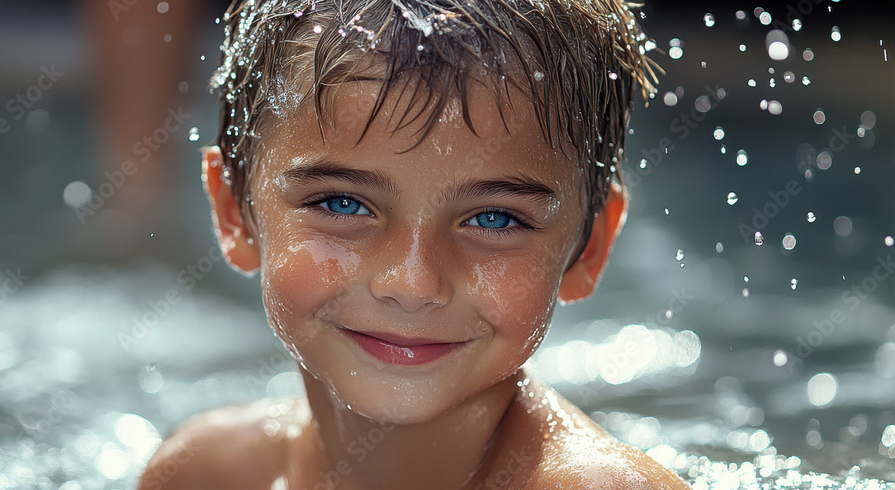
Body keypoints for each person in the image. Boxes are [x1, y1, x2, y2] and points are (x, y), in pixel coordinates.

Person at [140, 0, 687, 487]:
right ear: (234, 212)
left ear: (589, 246)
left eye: (494, 218)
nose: (412, 284)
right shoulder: (203, 474)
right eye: (342, 204)